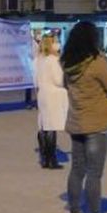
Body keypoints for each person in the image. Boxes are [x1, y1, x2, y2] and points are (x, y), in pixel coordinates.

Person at [62, 20, 107, 213]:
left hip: (76, 121)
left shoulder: (68, 63)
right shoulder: (97, 63)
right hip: (97, 122)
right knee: (94, 173)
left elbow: (65, 85)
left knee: (77, 170)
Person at [35, 33, 67, 169]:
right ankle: (51, 159)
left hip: (42, 94)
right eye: (56, 41)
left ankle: (44, 158)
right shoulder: (53, 60)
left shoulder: (38, 59)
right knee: (51, 127)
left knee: (44, 126)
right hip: (53, 95)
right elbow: (59, 80)